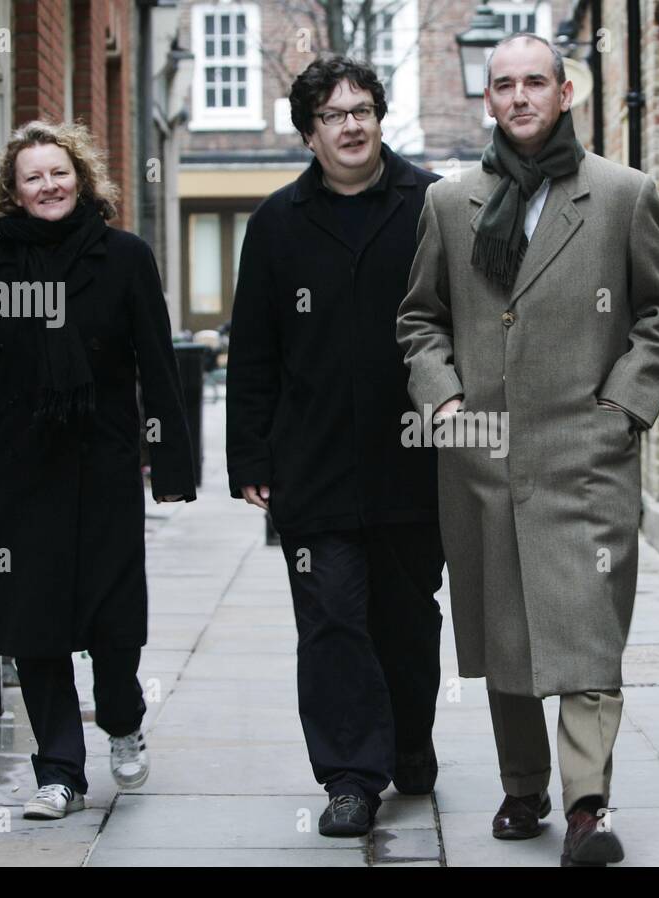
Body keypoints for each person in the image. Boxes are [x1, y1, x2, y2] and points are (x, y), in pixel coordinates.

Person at [396, 33, 659, 866]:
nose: (520, 96)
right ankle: (523, 785)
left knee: (588, 632)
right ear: (486, 100)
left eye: (536, 82)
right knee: (505, 634)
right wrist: (445, 401)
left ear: (566, 94)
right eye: (504, 85)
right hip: (482, 458)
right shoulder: (449, 203)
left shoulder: (622, 194)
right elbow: (420, 319)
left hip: (587, 457)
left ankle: (588, 807)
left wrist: (621, 411)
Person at [0, 120, 197, 820]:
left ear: (80, 178)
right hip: (15, 474)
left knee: (113, 620)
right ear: (11, 193)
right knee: (32, 622)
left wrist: (171, 463)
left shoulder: (124, 258)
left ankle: (123, 714)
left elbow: (156, 366)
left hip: (103, 464)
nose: (48, 185)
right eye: (32, 177)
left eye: (59, 172)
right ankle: (58, 772)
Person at [227, 56, 445, 837]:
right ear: (308, 133)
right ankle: (351, 776)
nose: (351, 125)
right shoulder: (277, 224)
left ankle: (410, 743)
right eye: (333, 115)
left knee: (406, 618)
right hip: (311, 465)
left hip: (412, 458)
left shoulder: (431, 204)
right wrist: (249, 456)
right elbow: (251, 347)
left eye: (363, 110)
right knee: (329, 621)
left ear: (380, 118)